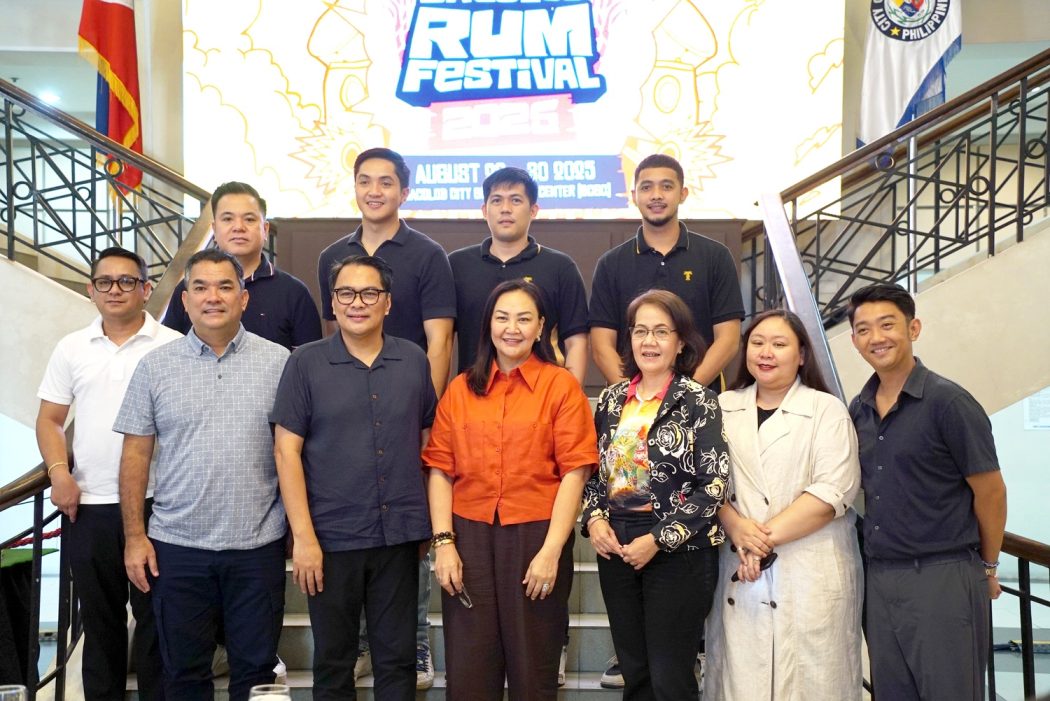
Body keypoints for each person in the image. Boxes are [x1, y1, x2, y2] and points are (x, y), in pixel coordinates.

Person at [114, 249, 290, 701]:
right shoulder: (155, 366)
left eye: (225, 286)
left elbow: (294, 453)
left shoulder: (280, 363)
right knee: (184, 675)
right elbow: (135, 455)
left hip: (257, 547)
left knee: (257, 675)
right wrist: (134, 536)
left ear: (243, 298)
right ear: (186, 300)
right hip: (177, 549)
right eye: (201, 287)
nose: (213, 297)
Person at [316, 148, 454, 687]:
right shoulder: (333, 254)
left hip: (404, 407)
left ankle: (413, 644)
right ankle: (358, 647)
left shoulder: (428, 254)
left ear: (404, 191)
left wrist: (420, 414)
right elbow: (335, 334)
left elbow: (439, 341)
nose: (375, 191)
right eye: (365, 181)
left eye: (386, 182)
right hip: (350, 414)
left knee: (405, 533)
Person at [423, 280, 598, 699]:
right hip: (469, 537)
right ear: (488, 325)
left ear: (541, 328)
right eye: (502, 318)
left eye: (523, 319)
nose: (512, 328)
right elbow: (440, 469)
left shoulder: (561, 387)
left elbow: (575, 472)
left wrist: (552, 551)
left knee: (533, 672)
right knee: (469, 673)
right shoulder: (460, 389)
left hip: (536, 536)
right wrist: (444, 543)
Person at [271, 255, 436, 700]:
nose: (356, 303)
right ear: (333, 302)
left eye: (369, 293)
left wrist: (428, 525)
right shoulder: (305, 362)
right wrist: (303, 538)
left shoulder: (413, 359)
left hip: (399, 536)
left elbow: (428, 444)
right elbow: (286, 452)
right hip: (331, 538)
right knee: (333, 662)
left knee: (397, 661)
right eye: (346, 293)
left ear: (387, 302)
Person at [847, 282, 1007, 701]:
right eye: (864, 329)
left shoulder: (949, 402)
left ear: (913, 328)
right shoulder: (859, 408)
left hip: (942, 575)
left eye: (887, 325)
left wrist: (988, 566)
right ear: (854, 341)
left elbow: (991, 492)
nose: (876, 338)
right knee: (891, 692)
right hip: (880, 578)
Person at [36, 247, 181, 701]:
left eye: (126, 281)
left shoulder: (174, 345)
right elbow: (50, 420)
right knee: (100, 628)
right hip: (89, 506)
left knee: (159, 625)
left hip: (161, 504)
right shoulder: (71, 347)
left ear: (146, 289)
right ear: (91, 290)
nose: (115, 290)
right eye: (105, 282)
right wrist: (59, 473)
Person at [703, 309, 863, 699]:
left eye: (779, 344)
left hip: (809, 568)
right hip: (739, 567)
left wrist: (757, 541)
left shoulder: (826, 409)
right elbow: (704, 480)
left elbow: (832, 492)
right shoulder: (722, 407)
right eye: (757, 343)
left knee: (812, 682)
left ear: (802, 354)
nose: (766, 353)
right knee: (742, 681)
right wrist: (736, 528)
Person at [583, 289, 729, 701]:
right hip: (617, 545)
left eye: (662, 331)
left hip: (678, 550)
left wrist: (657, 539)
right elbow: (594, 474)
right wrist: (594, 519)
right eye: (641, 331)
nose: (650, 341)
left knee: (670, 678)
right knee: (635, 674)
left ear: (681, 342)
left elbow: (714, 485)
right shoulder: (611, 400)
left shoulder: (699, 400)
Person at [589, 153, 744, 390]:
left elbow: (728, 339)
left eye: (667, 186)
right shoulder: (611, 264)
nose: (656, 195)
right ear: (634, 196)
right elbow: (602, 346)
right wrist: (634, 397)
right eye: (646, 187)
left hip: (700, 396)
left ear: (683, 194)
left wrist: (685, 394)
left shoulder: (715, 256)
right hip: (632, 402)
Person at [449, 166, 589, 381]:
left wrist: (570, 394)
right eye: (496, 200)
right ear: (485, 210)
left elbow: (576, 341)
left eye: (515, 200)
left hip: (543, 393)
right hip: (474, 391)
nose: (505, 209)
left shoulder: (560, 267)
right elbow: (443, 338)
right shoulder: (457, 265)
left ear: (533, 210)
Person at [162, 181, 321, 351]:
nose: (238, 227)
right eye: (228, 219)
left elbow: (308, 361)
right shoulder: (190, 289)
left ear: (265, 229)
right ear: (214, 229)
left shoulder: (293, 292)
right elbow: (170, 353)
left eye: (249, 219)